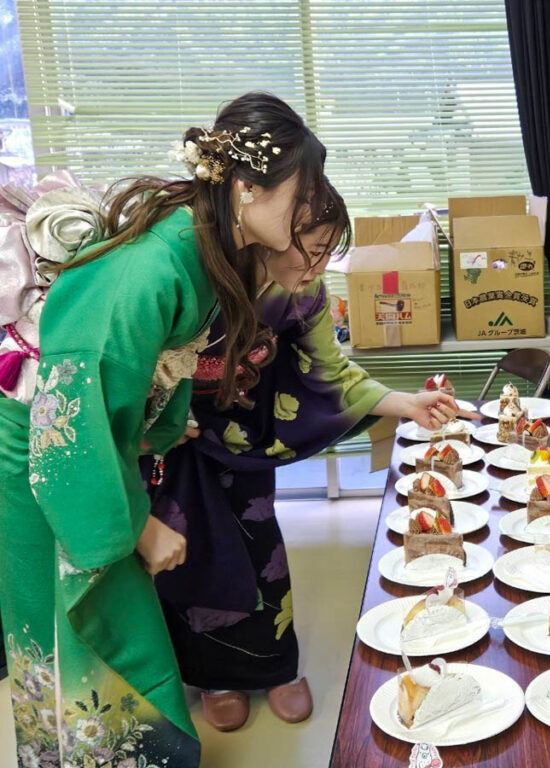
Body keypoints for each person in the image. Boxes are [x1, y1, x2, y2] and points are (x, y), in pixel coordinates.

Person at [0, 92, 339, 767]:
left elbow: (153, 372)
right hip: (52, 468)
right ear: (245, 188)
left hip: (94, 458)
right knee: (88, 654)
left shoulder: (208, 244)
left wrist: (160, 431)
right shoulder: (153, 265)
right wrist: (135, 526)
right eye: (303, 195)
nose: (310, 212)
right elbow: (74, 410)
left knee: (120, 662)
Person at [143, 185, 467, 732]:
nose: (316, 267)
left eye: (327, 252)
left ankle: (275, 667)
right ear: (266, 233)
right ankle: (213, 678)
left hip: (245, 437)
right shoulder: (191, 276)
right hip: (174, 441)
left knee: (261, 551)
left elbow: (329, 372)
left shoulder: (304, 294)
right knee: (190, 557)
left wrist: (404, 402)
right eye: (309, 250)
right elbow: (133, 363)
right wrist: (154, 425)